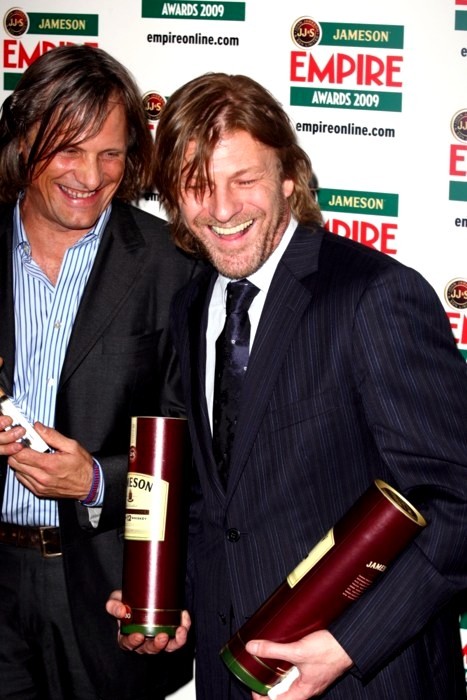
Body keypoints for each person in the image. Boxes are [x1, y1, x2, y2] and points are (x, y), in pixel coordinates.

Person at [107, 72, 467, 699]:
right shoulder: (193, 304)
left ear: (289, 179)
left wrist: (347, 644)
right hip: (231, 673)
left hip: (362, 680)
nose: (222, 209)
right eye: (197, 185)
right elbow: (216, 505)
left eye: (244, 180)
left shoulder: (374, 296)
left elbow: (458, 504)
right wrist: (169, 599)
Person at [0, 45, 197, 700]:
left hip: (105, 592)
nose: (91, 175)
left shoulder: (170, 266)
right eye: (68, 149)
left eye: (110, 153)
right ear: (23, 140)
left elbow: (198, 449)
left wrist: (93, 482)